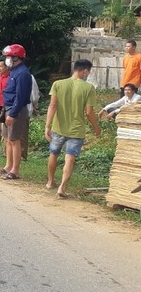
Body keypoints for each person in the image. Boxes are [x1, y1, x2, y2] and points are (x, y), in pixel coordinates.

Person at [44, 59, 101, 198]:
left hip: (58, 127)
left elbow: (52, 106)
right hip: (76, 130)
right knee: (70, 158)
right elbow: (89, 112)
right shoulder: (88, 88)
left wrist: (47, 125)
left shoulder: (58, 84)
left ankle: (50, 182)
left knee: (54, 154)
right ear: (85, 71)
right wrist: (96, 127)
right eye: (89, 72)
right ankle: (62, 187)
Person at [0, 44, 33, 180]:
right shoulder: (14, 71)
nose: (7, 60)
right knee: (7, 139)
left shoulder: (23, 73)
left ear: (15, 58)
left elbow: (21, 96)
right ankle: (8, 166)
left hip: (15, 110)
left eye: (8, 57)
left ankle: (15, 170)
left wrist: (12, 113)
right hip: (8, 107)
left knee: (15, 140)